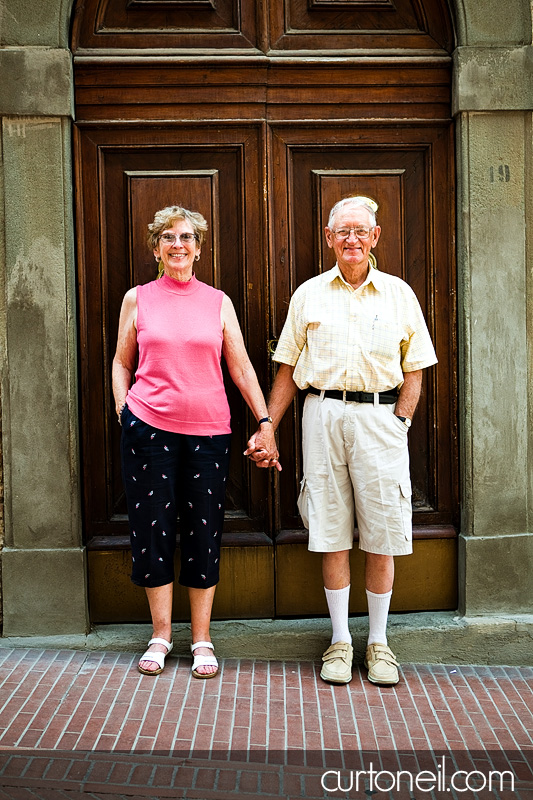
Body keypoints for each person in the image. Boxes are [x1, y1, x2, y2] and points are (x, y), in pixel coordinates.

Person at [246, 195, 437, 686]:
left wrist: (401, 422)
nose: (352, 239)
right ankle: (339, 642)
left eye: (361, 230)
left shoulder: (399, 294)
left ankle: (378, 644)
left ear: (375, 237)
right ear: (329, 238)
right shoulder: (309, 294)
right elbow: (287, 369)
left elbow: (415, 369)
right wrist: (268, 425)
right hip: (323, 414)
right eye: (342, 231)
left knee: (381, 536)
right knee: (329, 529)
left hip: (381, 418)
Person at [112, 205, 279, 678]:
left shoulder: (218, 302)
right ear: (156, 248)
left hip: (208, 433)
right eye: (168, 237)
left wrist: (264, 421)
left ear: (199, 248)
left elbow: (241, 366)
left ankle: (202, 639)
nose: (178, 244)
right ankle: (161, 635)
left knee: (203, 530)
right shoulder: (138, 299)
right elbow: (122, 362)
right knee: (152, 530)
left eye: (186, 237)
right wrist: (124, 408)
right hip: (149, 430)